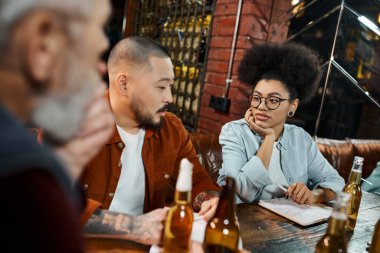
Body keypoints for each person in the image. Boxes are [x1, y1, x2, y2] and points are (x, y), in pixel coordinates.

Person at [0, 0, 167, 251]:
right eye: (92, 56)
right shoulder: (21, 170)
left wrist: (65, 165)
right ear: (42, 44)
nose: (101, 69)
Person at [81, 36, 220, 220]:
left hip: (148, 245)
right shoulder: (73, 125)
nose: (169, 98)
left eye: (170, 87)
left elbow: (197, 180)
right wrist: (136, 228)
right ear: (123, 84)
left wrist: (208, 200)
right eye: (160, 87)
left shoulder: (172, 129)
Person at [218, 42, 345, 204]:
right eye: (257, 98)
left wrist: (313, 195)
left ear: (293, 106)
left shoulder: (301, 138)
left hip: (290, 225)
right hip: (244, 223)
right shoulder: (234, 132)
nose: (261, 107)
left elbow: (337, 182)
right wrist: (269, 139)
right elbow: (242, 190)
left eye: (273, 100)